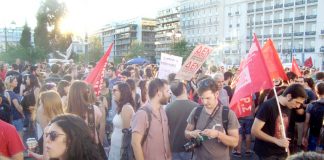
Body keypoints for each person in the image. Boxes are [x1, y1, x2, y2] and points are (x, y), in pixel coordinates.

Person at [184, 78, 239, 160]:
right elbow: (186, 133)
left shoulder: (228, 114)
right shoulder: (196, 111)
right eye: (202, 98)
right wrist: (192, 134)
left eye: (208, 98)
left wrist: (218, 134)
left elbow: (235, 142)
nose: (204, 102)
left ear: (216, 94)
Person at [251, 84, 307, 159]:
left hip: (282, 151)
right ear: (289, 96)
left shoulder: (289, 106)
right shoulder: (268, 106)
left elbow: (284, 130)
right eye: (297, 102)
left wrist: (287, 150)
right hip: (267, 153)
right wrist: (276, 140)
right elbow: (254, 131)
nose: (297, 106)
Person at [131, 78, 172, 160]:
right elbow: (135, 143)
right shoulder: (142, 114)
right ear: (159, 94)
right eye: (167, 91)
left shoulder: (162, 111)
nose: (170, 94)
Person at [166, 81, 198, 160]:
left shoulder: (168, 108)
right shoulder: (196, 106)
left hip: (174, 147)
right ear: (184, 89)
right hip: (191, 147)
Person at [109, 82, 135, 160]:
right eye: (112, 90)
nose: (112, 92)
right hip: (116, 145)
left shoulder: (126, 108)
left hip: (121, 148)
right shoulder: (122, 106)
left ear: (122, 92)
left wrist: (123, 152)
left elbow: (126, 134)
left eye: (115, 90)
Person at [302, 82, 324, 151]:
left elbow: (307, 122)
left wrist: (304, 136)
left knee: (313, 155)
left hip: (314, 134)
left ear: (316, 92)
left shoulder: (311, 105)